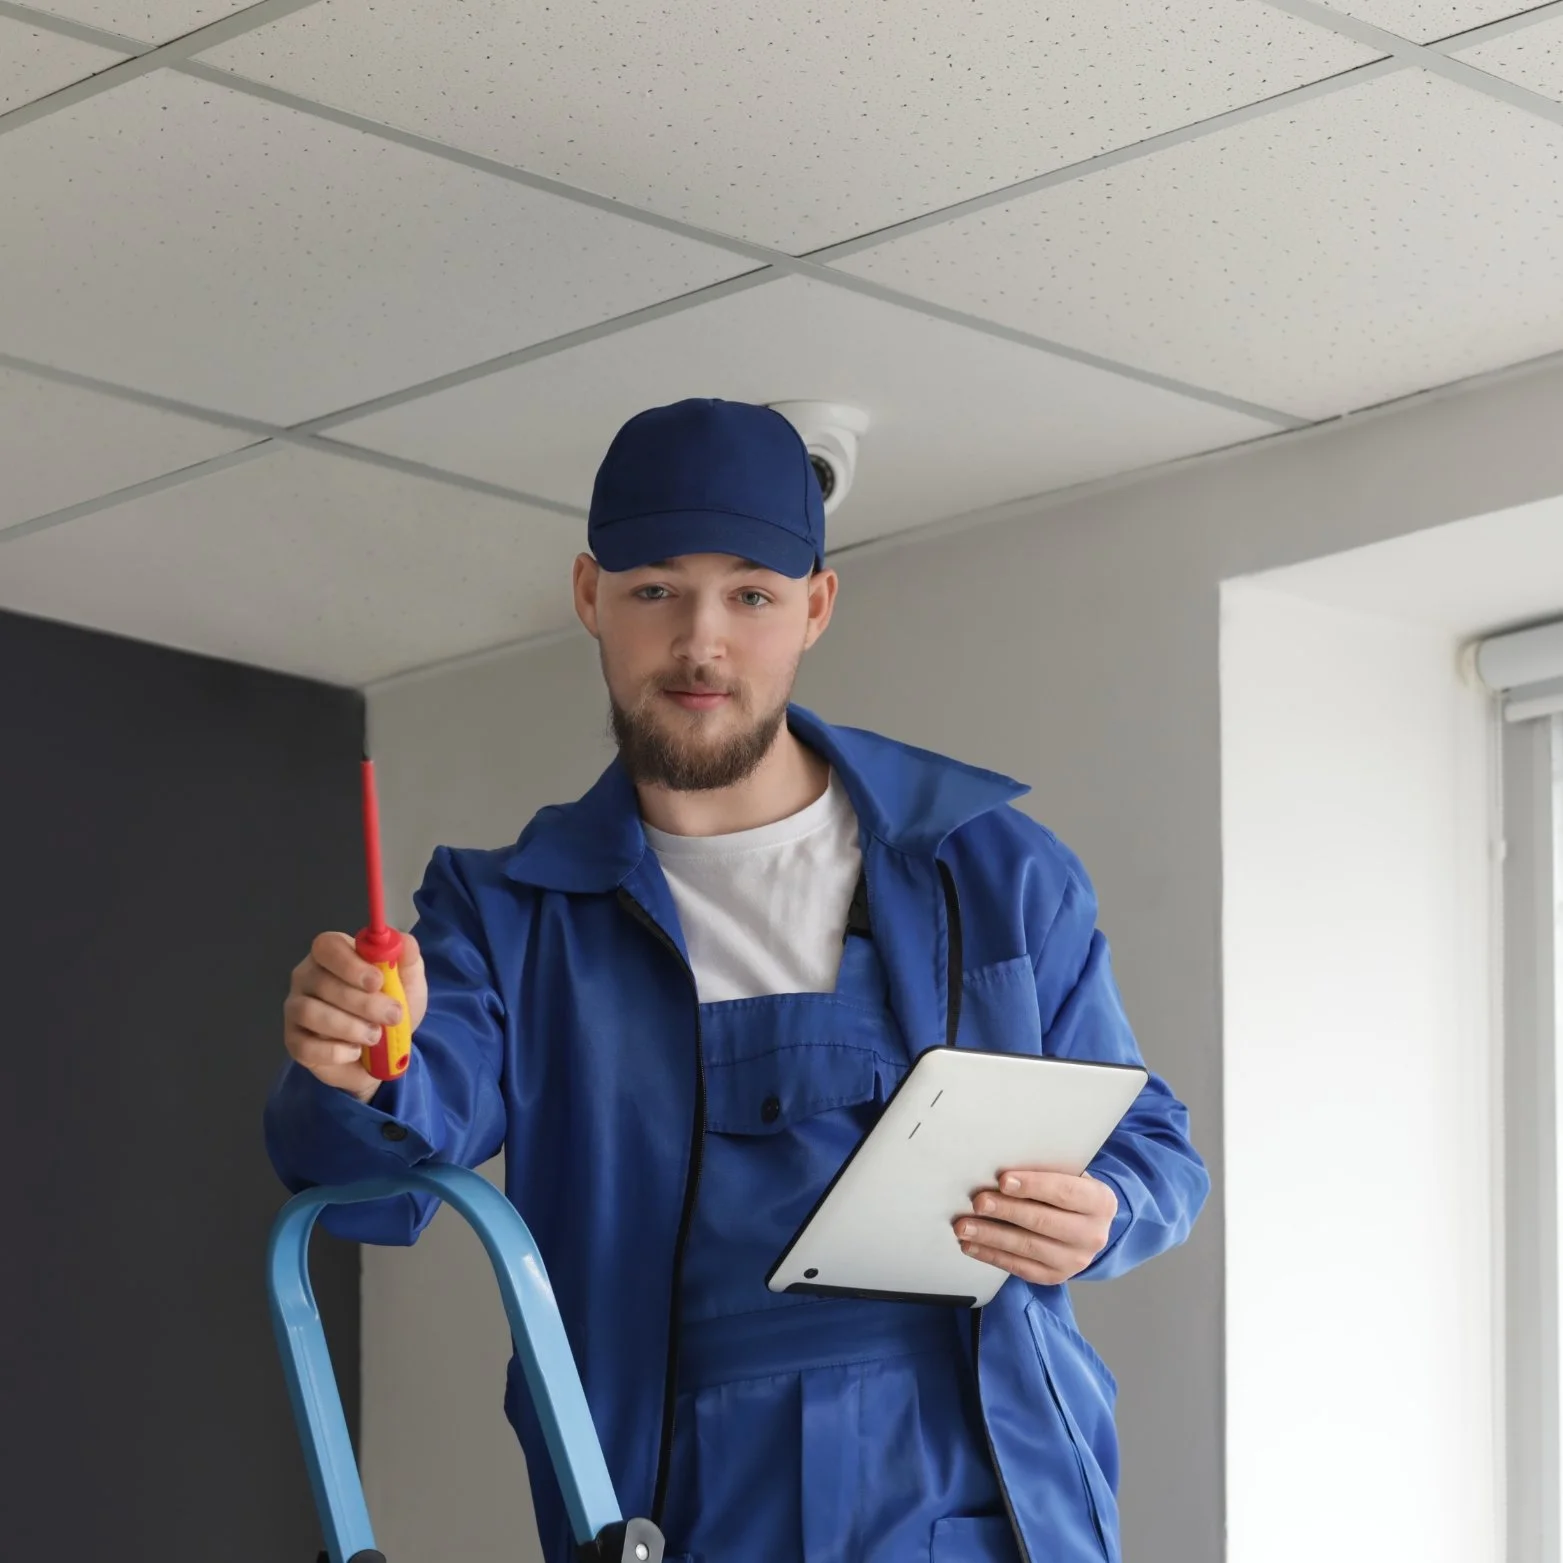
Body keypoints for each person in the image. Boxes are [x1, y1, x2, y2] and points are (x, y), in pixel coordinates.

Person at [267, 397, 1209, 1563]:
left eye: (751, 595)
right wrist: (357, 1061)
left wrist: (1103, 1210)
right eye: (656, 590)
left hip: (985, 1504)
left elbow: (1150, 1139)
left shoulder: (989, 870)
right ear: (589, 599)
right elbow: (380, 1175)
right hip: (678, 1513)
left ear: (814, 607)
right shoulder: (510, 917)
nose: (701, 643)